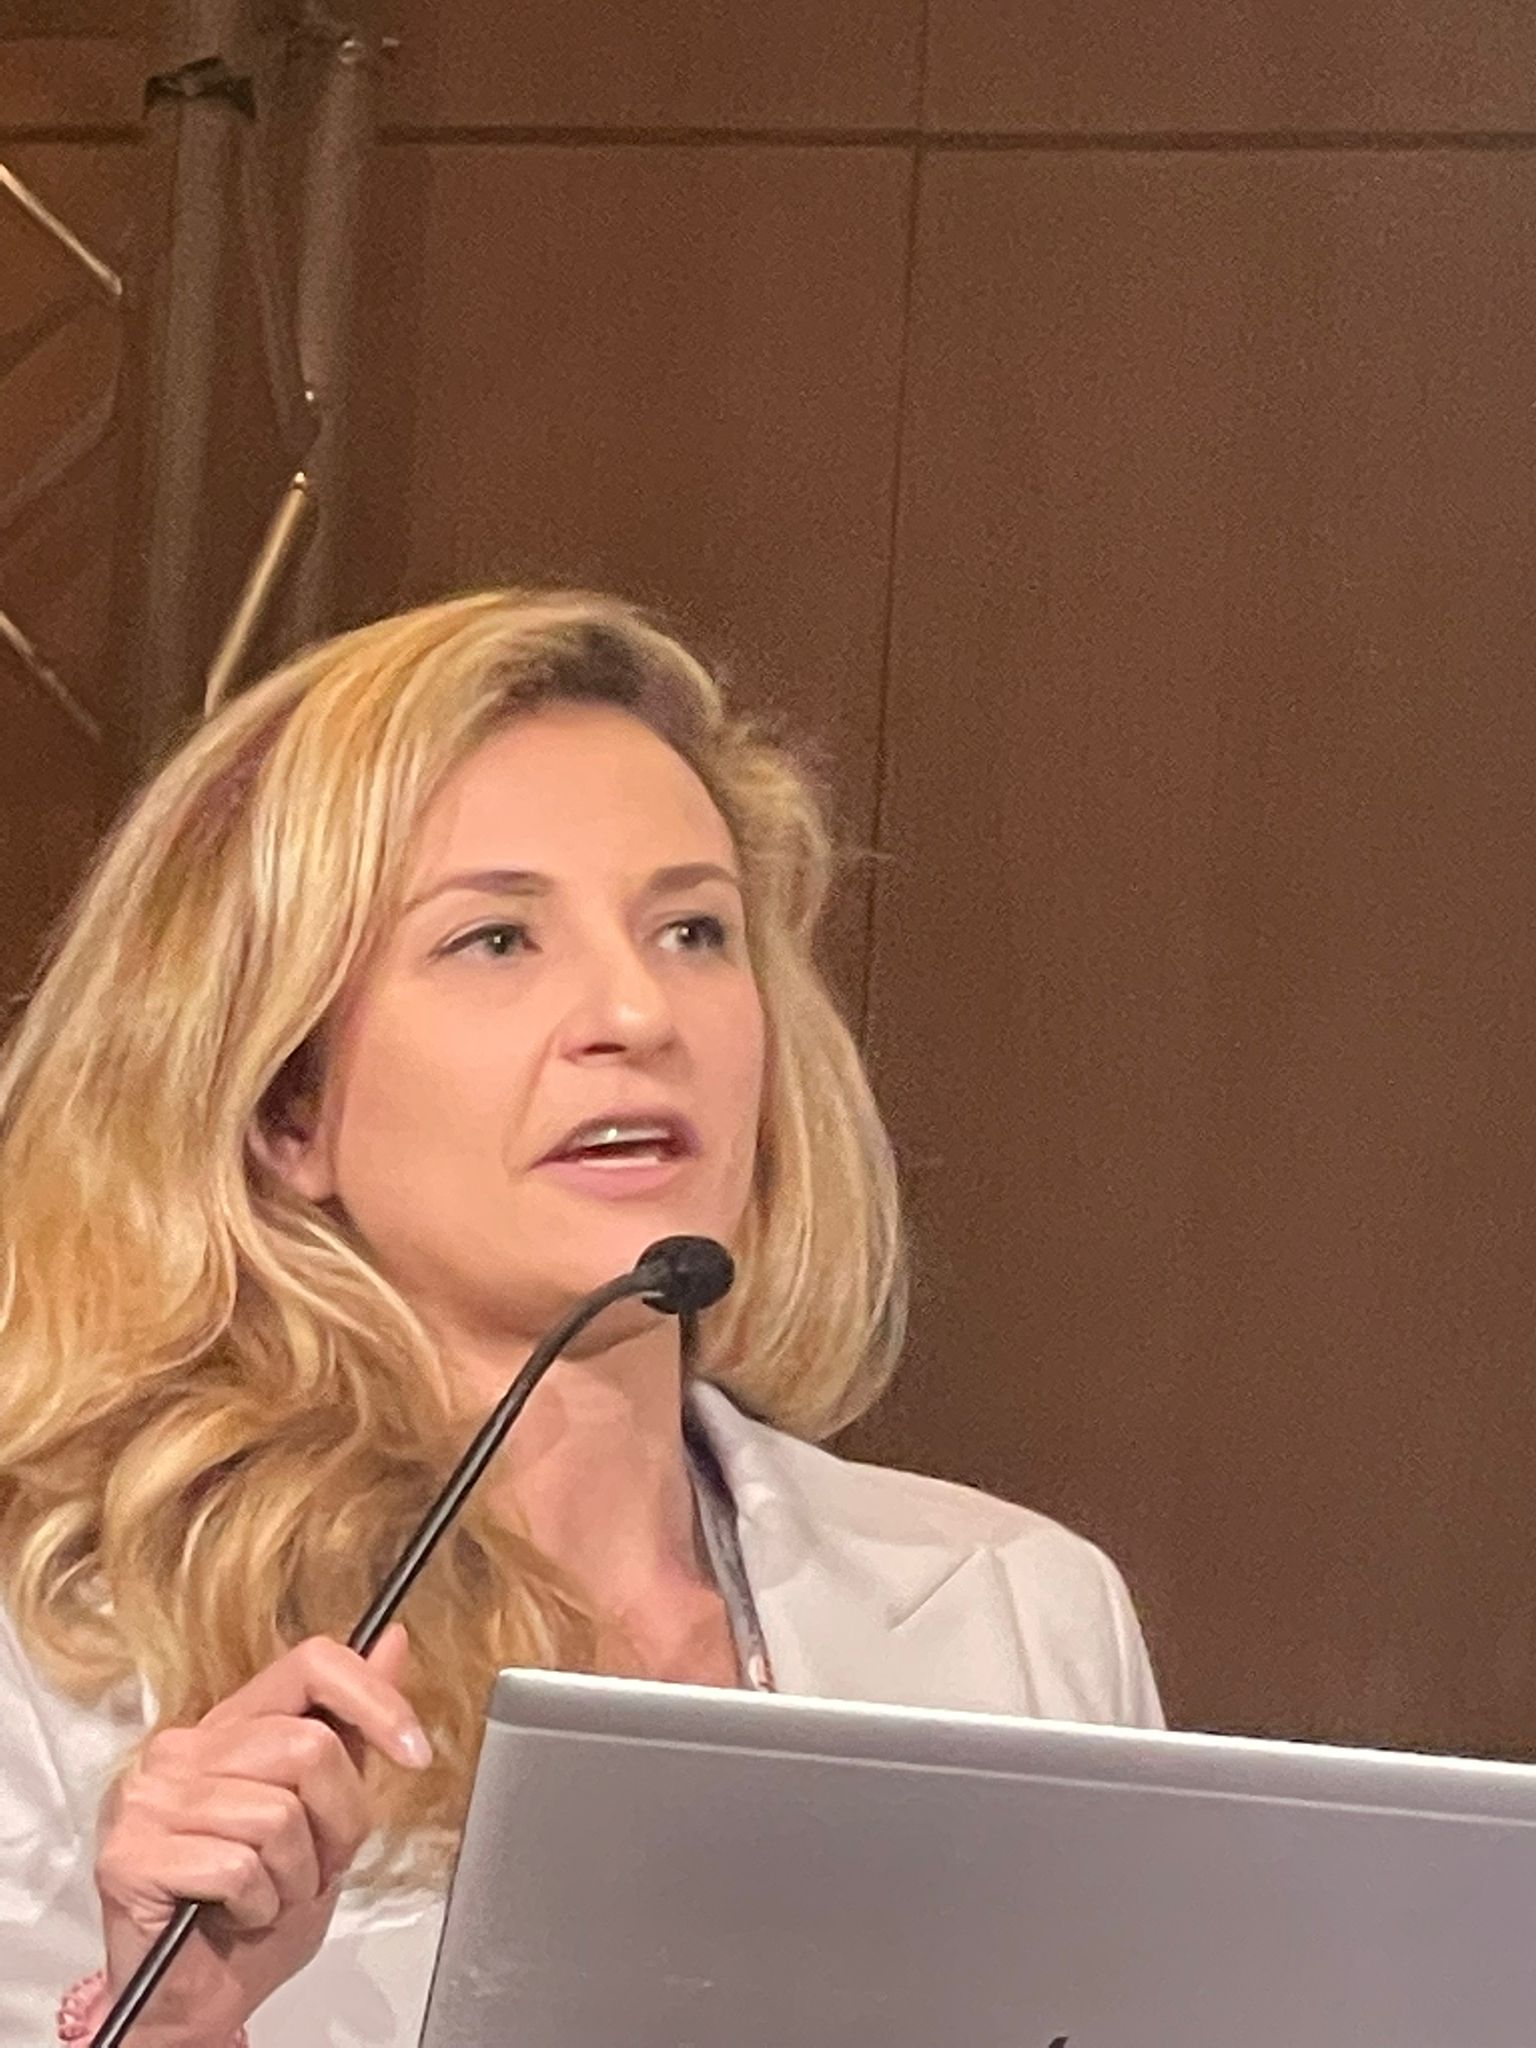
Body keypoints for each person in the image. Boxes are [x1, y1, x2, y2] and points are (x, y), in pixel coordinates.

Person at [0, 589, 1161, 2046]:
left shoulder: (1021, 1619)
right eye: (497, 939)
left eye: (693, 930)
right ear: (288, 1104)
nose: (637, 1012)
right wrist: (177, 2035)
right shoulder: (57, 1669)